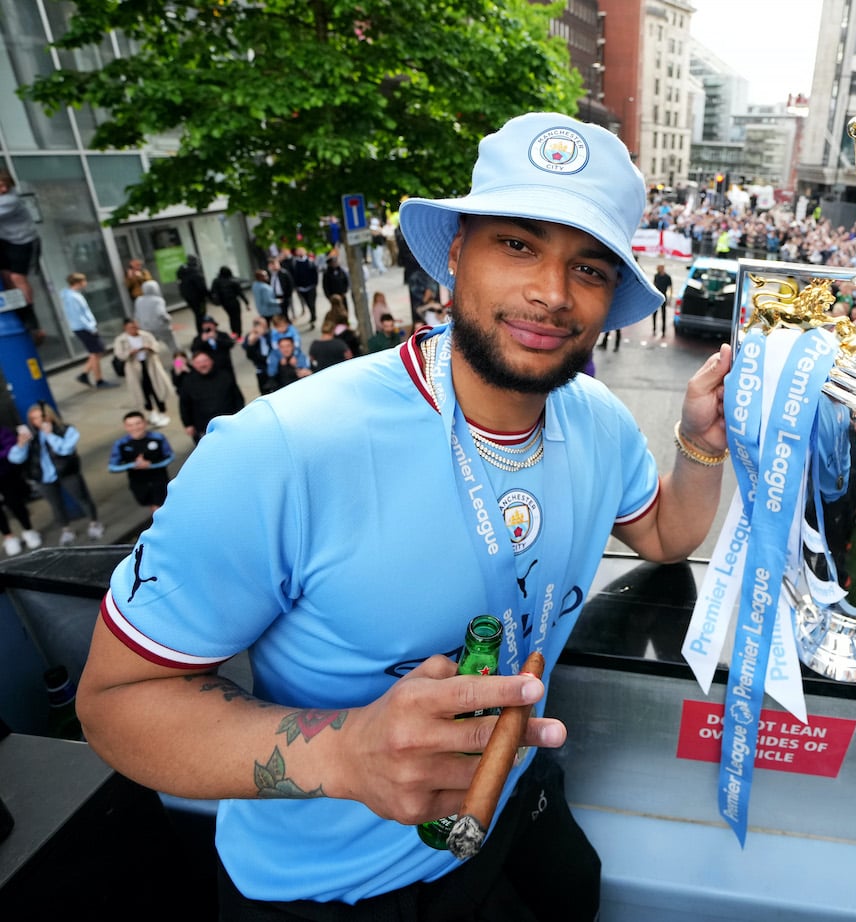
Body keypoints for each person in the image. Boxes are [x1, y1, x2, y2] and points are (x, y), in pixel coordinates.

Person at [76, 111, 731, 918]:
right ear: (455, 252)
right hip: (332, 890)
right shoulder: (282, 449)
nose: (551, 293)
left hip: (520, 813)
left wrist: (702, 445)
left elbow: (668, 536)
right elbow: (113, 703)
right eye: (517, 245)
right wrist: (346, 754)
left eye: (590, 269)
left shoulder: (598, 420)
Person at [7, 402, 104, 546]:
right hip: (43, 477)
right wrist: (21, 444)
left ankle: (94, 523)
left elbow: (65, 449)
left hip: (67, 472)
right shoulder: (31, 435)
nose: (38, 422)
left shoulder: (66, 430)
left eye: (41, 417)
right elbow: (15, 458)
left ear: (49, 416)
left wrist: (50, 435)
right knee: (56, 505)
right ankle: (66, 530)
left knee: (82, 497)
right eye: (34, 419)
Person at [108, 411, 175, 515]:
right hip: (138, 483)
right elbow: (112, 467)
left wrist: (150, 465)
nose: (135, 428)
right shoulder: (121, 444)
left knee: (160, 508)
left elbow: (170, 456)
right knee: (154, 507)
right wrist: (133, 465)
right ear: (126, 427)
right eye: (130, 425)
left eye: (138, 423)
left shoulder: (158, 438)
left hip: (159, 480)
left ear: (145, 423)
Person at [60, 272, 118, 390]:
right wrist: (90, 328)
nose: (86, 283)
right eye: (84, 281)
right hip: (84, 327)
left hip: (83, 327)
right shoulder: (72, 297)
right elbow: (78, 315)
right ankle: (98, 380)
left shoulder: (72, 295)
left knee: (96, 352)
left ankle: (85, 374)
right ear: (78, 283)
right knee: (97, 351)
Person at [0, 168, 41, 334]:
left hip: (23, 241)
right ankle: (16, 304)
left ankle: (28, 312)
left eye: (5, 186)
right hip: (5, 240)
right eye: (1, 185)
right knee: (5, 275)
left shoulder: (10, 200)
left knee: (17, 277)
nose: (4, 189)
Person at [112, 318, 174, 428]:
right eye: (131, 327)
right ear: (125, 328)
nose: (134, 329)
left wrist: (149, 348)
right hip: (134, 369)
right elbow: (120, 354)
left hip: (150, 365)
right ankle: (151, 412)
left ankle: (162, 412)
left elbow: (156, 347)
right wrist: (130, 352)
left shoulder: (146, 335)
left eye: (135, 327)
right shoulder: (121, 340)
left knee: (157, 389)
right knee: (143, 391)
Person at [179, 349, 245, 443]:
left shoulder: (225, 376)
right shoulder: (187, 381)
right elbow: (184, 405)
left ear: (211, 361)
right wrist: (188, 424)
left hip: (228, 424)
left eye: (205, 361)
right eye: (198, 362)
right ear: (193, 364)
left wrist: (240, 417)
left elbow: (238, 398)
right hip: (203, 428)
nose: (203, 365)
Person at [0, 424, 41, 556]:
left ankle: (28, 530)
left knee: (15, 503)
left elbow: (10, 446)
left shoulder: (2, 431)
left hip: (6, 473)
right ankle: (8, 536)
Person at [131, 278, 179, 358]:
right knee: (173, 347)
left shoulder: (138, 300)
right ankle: (179, 365)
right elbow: (161, 314)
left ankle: (151, 368)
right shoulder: (158, 300)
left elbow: (136, 315)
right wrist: (168, 318)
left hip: (146, 329)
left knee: (149, 350)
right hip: (161, 328)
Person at [209, 266, 249, 340]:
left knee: (231, 317)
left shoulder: (216, 281)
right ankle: (239, 335)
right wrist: (246, 303)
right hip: (234, 302)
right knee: (237, 318)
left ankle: (233, 332)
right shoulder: (233, 281)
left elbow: (212, 291)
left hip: (225, 303)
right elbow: (240, 293)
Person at [289, 247, 320, 328]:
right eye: (298, 251)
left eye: (301, 250)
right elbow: (294, 275)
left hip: (311, 286)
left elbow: (315, 273)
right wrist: (297, 286)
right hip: (301, 288)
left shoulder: (310, 261)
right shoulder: (295, 262)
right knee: (307, 303)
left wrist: (315, 283)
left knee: (311, 303)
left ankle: (313, 317)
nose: (300, 252)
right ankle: (312, 315)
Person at [177, 255, 210, 328]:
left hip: (187, 297)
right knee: (201, 314)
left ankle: (201, 329)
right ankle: (202, 329)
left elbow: (179, 281)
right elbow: (201, 286)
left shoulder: (181, 269)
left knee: (197, 313)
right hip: (198, 298)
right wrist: (208, 296)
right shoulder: (195, 271)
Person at [652, 263, 672, 337]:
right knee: (654, 313)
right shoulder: (656, 276)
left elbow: (670, 288)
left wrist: (670, 298)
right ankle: (654, 328)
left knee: (663, 314)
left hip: (663, 296)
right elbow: (654, 285)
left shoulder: (667, 277)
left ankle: (663, 330)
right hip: (657, 297)